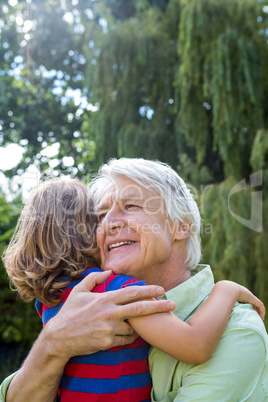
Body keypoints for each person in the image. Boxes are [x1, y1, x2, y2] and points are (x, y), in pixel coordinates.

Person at [1, 158, 268, 401]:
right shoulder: (94, 303)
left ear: (181, 225)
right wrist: (51, 345)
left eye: (130, 206)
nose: (109, 224)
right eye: (100, 216)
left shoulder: (237, 332)